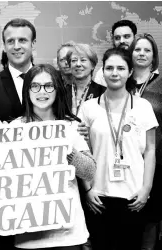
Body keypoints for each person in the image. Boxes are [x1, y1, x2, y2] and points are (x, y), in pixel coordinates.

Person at [79, 48, 158, 250]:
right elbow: (81, 153)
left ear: (130, 71)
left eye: (121, 68)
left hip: (134, 196)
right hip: (99, 196)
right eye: (110, 68)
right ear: (102, 71)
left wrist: (146, 189)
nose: (115, 73)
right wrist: (87, 189)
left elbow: (150, 150)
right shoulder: (89, 108)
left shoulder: (143, 106)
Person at [12, 64, 96, 250]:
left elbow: (90, 171)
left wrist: (66, 150)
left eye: (49, 86)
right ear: (27, 91)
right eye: (35, 86)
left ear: (57, 90)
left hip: (68, 234)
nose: (42, 92)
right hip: (28, 235)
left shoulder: (70, 126)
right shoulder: (14, 128)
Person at [129, 33, 162, 250]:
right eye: (137, 49)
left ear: (154, 56)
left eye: (147, 50)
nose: (141, 53)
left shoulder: (160, 83)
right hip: (127, 161)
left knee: (151, 216)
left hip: (157, 160)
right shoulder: (120, 79)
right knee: (130, 216)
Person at [0, 18, 36, 125]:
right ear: (4, 46)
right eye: (10, 41)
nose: (16, 46)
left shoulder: (51, 80)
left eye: (22, 40)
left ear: (33, 44)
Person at [94, 19, 137, 87]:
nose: (122, 41)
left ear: (135, 38)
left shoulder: (143, 67)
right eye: (117, 38)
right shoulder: (103, 74)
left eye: (126, 36)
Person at [66, 43, 106, 116]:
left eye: (83, 60)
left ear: (93, 65)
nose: (78, 64)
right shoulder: (61, 92)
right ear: (69, 65)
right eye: (74, 60)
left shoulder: (103, 92)